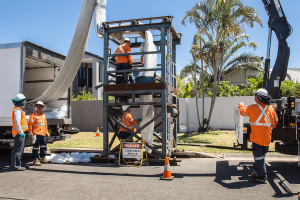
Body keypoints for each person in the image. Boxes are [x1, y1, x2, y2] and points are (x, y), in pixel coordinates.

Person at [238, 88, 278, 183]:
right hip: (267, 139)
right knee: (260, 157)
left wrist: (241, 105)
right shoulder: (271, 109)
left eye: (255, 95)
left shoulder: (252, 108)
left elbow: (243, 112)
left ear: (259, 97)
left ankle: (262, 177)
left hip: (257, 138)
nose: (254, 96)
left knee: (258, 157)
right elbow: (275, 123)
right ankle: (255, 171)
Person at [28, 101, 50, 166]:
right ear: (36, 107)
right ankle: (35, 159)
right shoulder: (33, 115)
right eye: (38, 106)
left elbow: (45, 125)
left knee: (44, 146)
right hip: (36, 134)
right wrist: (30, 132)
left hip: (43, 134)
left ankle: (43, 158)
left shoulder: (43, 115)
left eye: (41, 106)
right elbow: (30, 124)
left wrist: (47, 132)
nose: (40, 108)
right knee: (35, 147)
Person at [11, 94, 28, 171]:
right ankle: (16, 166)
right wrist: (21, 132)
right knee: (17, 150)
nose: (25, 102)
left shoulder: (19, 110)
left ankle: (20, 163)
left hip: (19, 133)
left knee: (20, 149)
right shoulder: (17, 110)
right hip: (18, 133)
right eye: (24, 100)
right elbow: (17, 122)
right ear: (20, 101)